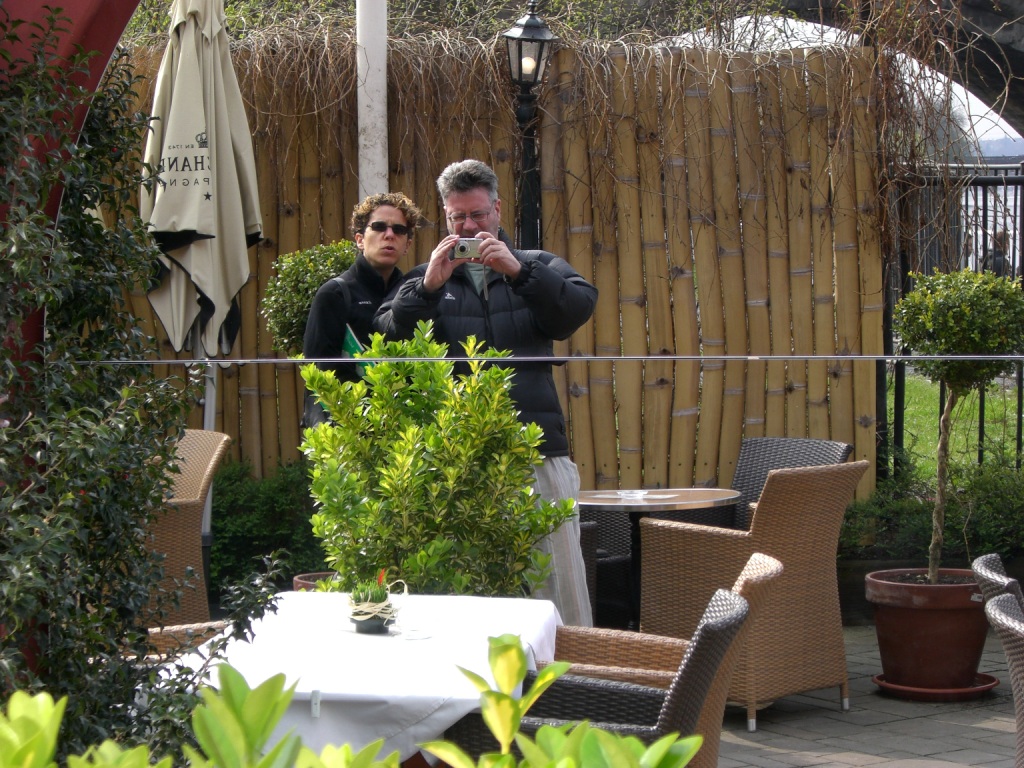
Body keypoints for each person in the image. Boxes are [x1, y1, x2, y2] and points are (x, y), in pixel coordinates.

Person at [374, 159, 598, 626]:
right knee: (466, 586)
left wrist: (519, 273)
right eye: (457, 217)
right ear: (445, 216)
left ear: (498, 209)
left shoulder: (537, 263)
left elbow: (576, 310)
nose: (468, 227)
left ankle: (570, 669)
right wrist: (428, 289)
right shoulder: (427, 275)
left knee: (557, 581)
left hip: (536, 449)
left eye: (477, 214)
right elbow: (388, 338)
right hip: (456, 459)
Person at [302, 192, 423, 426]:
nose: (389, 235)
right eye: (379, 227)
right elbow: (320, 371)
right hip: (345, 427)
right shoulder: (334, 294)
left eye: (399, 230)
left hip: (402, 428)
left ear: (407, 245)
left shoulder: (414, 294)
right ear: (359, 239)